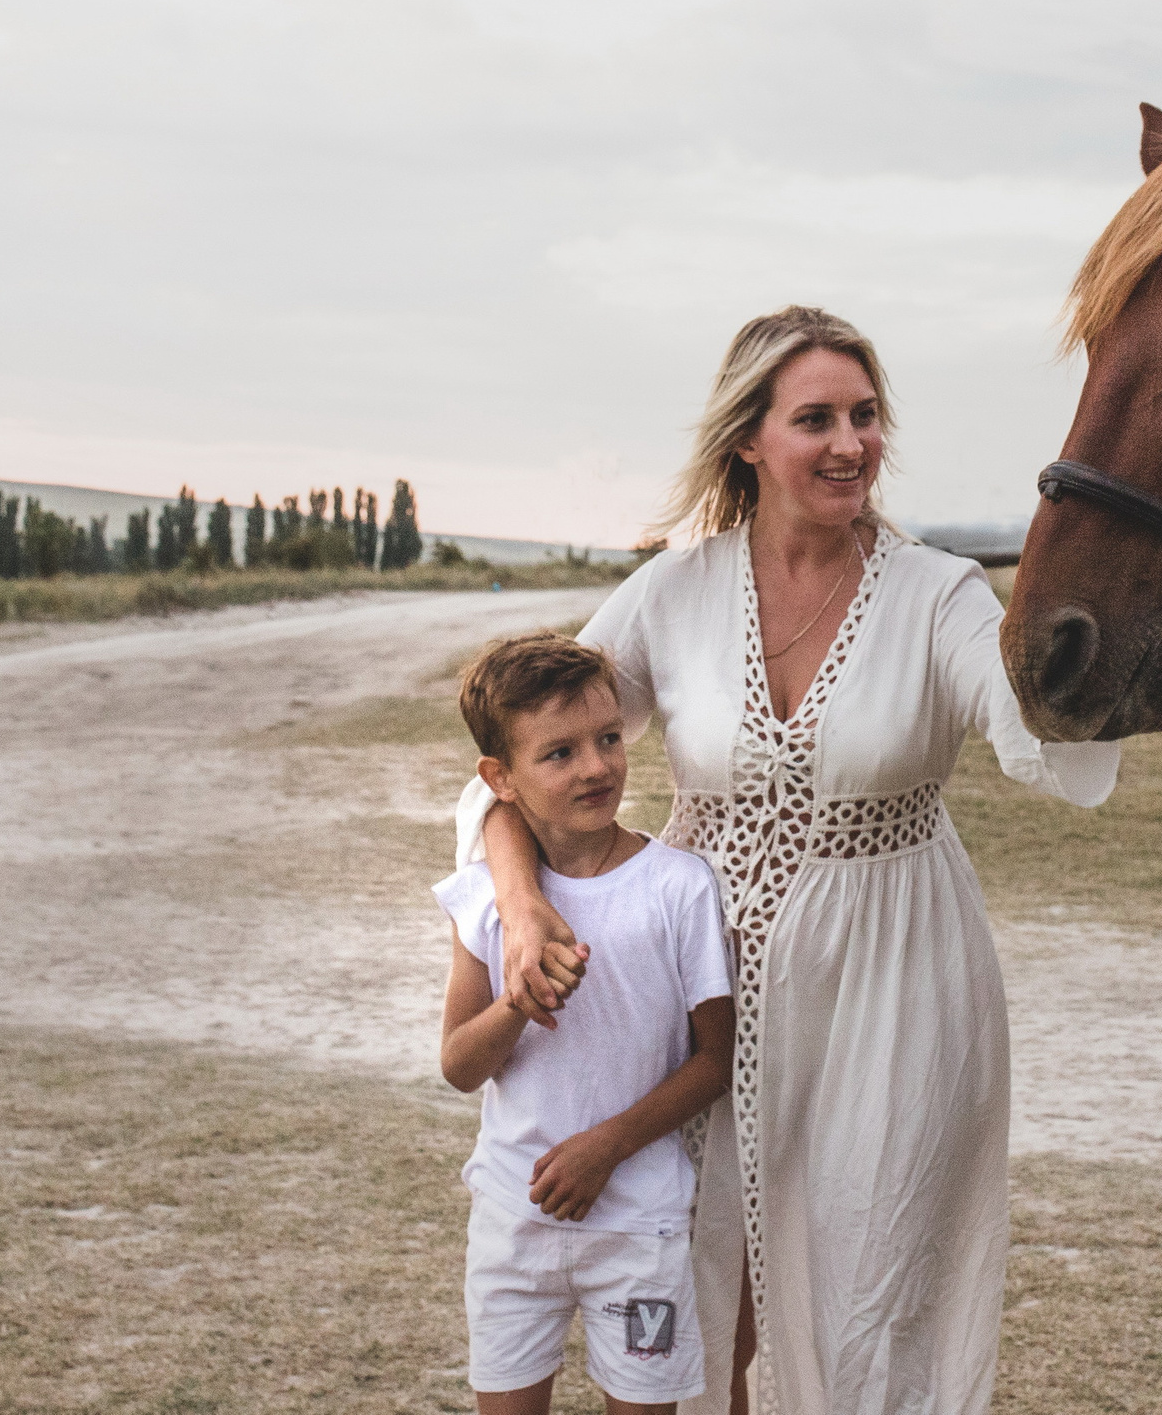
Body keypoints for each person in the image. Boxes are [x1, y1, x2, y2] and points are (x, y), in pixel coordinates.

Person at [462, 306, 1121, 1415]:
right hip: (696, 985)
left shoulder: (938, 593)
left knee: (867, 1286)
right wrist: (521, 902)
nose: (850, 443)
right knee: (697, 1279)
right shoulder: (674, 591)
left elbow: (1032, 725)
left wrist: (1121, 642)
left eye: (866, 416)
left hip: (890, 984)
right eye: (815, 419)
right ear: (747, 440)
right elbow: (515, 762)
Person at [436, 633, 735, 1415]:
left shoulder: (678, 886)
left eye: (608, 738)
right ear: (500, 778)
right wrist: (516, 1002)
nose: (597, 766)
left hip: (640, 1231)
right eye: (559, 752)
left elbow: (715, 1060)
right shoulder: (484, 899)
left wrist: (608, 1145)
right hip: (512, 1222)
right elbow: (459, 1064)